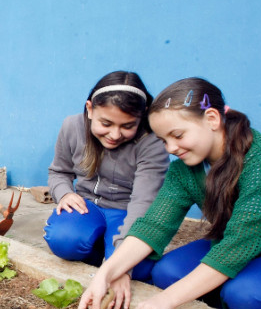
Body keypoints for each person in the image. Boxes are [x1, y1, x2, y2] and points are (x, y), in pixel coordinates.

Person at [78, 77, 261, 309]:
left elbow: (237, 247)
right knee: (167, 273)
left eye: (177, 135)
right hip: (242, 247)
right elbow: (153, 226)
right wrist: (105, 274)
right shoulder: (185, 169)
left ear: (212, 119)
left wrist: (166, 300)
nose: (171, 148)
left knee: (248, 295)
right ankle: (235, 297)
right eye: (163, 140)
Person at [45, 71, 169, 281]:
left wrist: (120, 266)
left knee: (136, 269)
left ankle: (109, 252)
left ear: (142, 115)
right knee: (64, 239)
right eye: (106, 124)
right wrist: (64, 194)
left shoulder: (152, 143)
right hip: (87, 207)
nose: (115, 135)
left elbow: (142, 204)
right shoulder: (72, 127)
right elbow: (59, 171)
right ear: (90, 109)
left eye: (128, 126)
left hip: (128, 212)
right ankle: (94, 251)